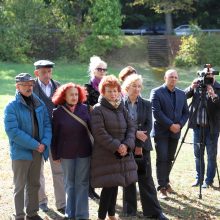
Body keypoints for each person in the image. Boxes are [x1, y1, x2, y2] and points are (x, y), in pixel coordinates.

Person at [4, 73, 52, 220]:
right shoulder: (11, 106)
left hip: (39, 151)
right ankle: (19, 215)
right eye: (25, 85)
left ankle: (32, 213)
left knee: (35, 184)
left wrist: (44, 143)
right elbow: (13, 132)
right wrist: (35, 144)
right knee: (19, 187)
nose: (29, 87)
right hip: (21, 152)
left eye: (31, 85)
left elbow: (47, 125)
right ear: (17, 87)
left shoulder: (39, 103)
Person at [90, 75, 138, 220]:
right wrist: (117, 146)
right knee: (108, 186)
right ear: (103, 92)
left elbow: (131, 127)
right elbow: (99, 133)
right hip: (107, 153)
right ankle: (101, 217)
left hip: (123, 153)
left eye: (115, 91)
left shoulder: (121, 107)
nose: (113, 94)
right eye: (109, 91)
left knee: (116, 183)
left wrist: (126, 145)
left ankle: (111, 215)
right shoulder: (98, 109)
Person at [122, 74, 168, 219]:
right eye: (134, 86)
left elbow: (148, 126)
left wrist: (139, 145)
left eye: (139, 86)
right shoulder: (119, 104)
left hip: (143, 148)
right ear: (127, 88)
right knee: (128, 179)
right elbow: (119, 125)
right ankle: (129, 211)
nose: (137, 89)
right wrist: (135, 133)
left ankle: (154, 212)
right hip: (126, 147)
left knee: (146, 179)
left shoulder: (147, 104)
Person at [51, 83, 92, 219]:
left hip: (84, 152)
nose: (74, 97)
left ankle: (82, 215)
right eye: (71, 94)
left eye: (76, 94)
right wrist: (55, 154)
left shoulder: (86, 109)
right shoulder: (57, 112)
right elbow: (54, 136)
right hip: (66, 153)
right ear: (64, 96)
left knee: (82, 183)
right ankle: (70, 214)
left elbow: (93, 131)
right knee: (70, 184)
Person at [150, 69, 189, 199]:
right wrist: (170, 125)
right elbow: (157, 112)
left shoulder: (182, 94)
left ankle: (166, 183)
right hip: (161, 132)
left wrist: (179, 125)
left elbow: (186, 113)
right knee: (162, 158)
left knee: (169, 158)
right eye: (171, 77)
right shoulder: (156, 92)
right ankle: (161, 187)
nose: (173, 79)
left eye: (175, 77)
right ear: (165, 78)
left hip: (175, 132)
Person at [33, 60, 65, 213]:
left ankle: (62, 203)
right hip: (36, 135)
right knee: (37, 170)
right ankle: (41, 201)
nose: (47, 75)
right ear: (36, 73)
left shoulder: (58, 86)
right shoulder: (30, 87)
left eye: (49, 71)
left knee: (59, 170)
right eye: (43, 72)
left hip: (56, 135)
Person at [185, 66, 220, 188]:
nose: (208, 78)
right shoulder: (198, 85)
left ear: (214, 76)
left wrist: (213, 94)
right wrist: (191, 87)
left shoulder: (218, 87)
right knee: (198, 154)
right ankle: (199, 179)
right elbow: (182, 96)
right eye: (206, 76)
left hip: (212, 128)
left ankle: (208, 180)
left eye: (211, 76)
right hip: (198, 127)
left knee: (211, 155)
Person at [84, 55, 107, 199]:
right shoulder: (86, 87)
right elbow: (84, 106)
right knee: (92, 158)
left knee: (102, 158)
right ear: (93, 70)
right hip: (92, 127)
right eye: (99, 69)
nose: (102, 72)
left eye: (104, 69)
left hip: (107, 126)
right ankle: (89, 188)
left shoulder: (107, 87)